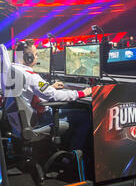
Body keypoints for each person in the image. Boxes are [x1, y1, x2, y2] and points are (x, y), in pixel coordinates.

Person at [12, 40, 93, 173]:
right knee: (84, 116)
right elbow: (54, 96)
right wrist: (82, 92)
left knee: (69, 111)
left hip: (20, 121)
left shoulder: (12, 71)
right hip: (38, 120)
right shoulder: (31, 76)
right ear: (28, 57)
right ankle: (72, 161)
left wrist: (49, 87)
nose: (37, 57)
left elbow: (42, 90)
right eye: (36, 54)